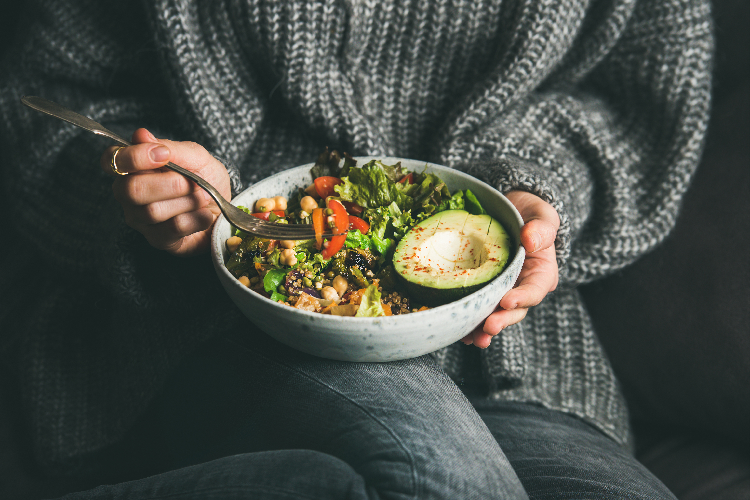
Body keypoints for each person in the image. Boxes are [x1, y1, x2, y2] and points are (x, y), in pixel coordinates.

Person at [0, 0, 713, 498]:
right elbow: (45, 102)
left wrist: (537, 194)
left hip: (516, 348)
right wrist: (149, 189)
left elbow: (639, 102)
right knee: (439, 484)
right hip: (222, 316)